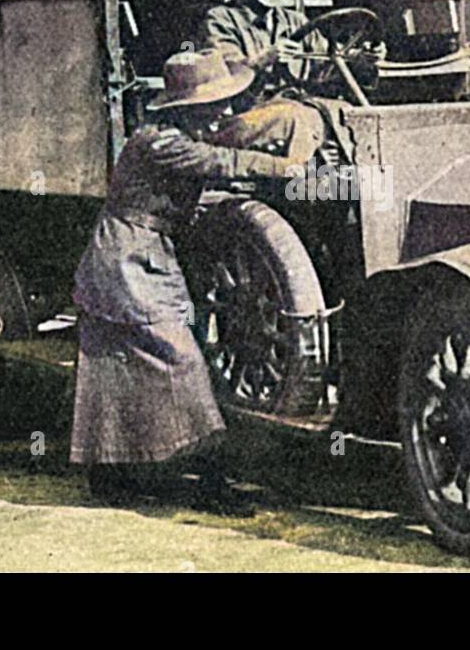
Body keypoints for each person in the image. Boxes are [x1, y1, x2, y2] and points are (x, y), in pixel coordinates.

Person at [70, 49, 306, 513]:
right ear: (186, 108)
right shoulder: (159, 142)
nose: (224, 112)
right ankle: (208, 482)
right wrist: (289, 168)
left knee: (120, 371)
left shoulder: (173, 138)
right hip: (127, 260)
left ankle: (116, 474)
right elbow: (223, 163)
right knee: (181, 361)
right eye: (214, 105)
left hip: (140, 256)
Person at [198, 0, 327, 101]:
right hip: (251, 112)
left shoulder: (296, 21)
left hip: (298, 105)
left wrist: (359, 57)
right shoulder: (221, 19)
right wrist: (265, 58)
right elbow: (226, 75)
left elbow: (326, 60)